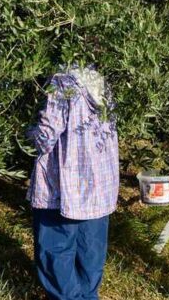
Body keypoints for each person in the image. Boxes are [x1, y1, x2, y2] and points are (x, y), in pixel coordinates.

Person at [27, 65, 119, 300]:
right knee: (90, 251)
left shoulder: (62, 81)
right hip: (99, 185)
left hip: (65, 186)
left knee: (55, 249)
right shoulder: (101, 78)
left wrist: (25, 131)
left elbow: (46, 137)